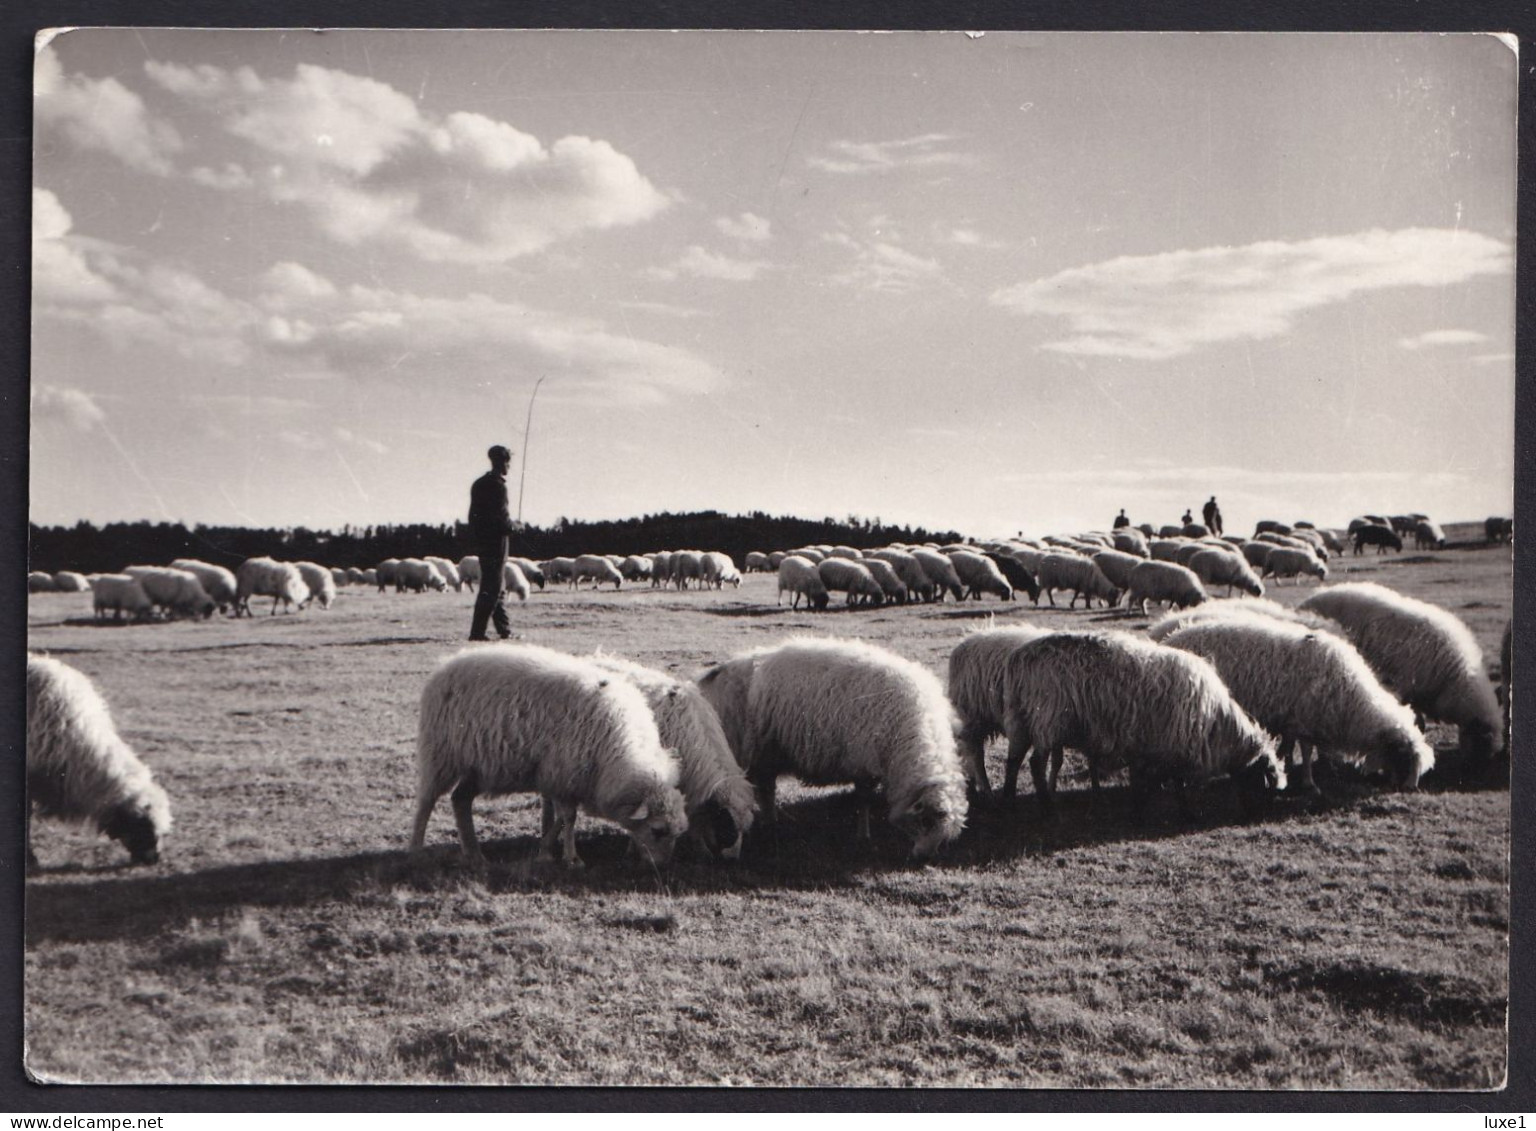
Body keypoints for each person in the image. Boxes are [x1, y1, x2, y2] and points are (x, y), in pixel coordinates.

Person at [467, 444, 518, 641]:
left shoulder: (478, 484)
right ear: (503, 462)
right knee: (493, 588)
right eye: (508, 463)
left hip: (482, 542)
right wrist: (516, 527)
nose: (509, 467)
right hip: (497, 544)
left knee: (497, 586)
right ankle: (477, 633)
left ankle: (504, 631)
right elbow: (503, 521)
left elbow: (474, 516)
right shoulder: (499, 486)